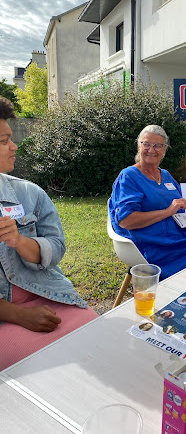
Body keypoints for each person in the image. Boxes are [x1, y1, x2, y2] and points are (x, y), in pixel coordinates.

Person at [0, 97, 97, 371]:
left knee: (96, 340)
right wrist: (20, 315)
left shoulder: (29, 194)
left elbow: (56, 246)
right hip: (6, 316)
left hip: (49, 294)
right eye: (4, 141)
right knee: (38, 373)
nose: (14, 145)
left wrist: (19, 241)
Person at [109, 125, 186, 280]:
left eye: (157, 145)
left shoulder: (164, 175)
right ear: (139, 146)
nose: (151, 150)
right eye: (146, 144)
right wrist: (167, 212)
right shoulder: (129, 176)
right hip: (154, 241)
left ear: (164, 149)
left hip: (179, 233)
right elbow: (126, 221)